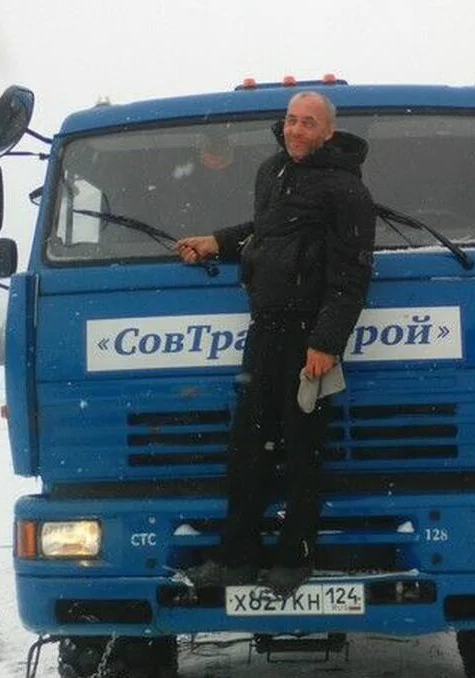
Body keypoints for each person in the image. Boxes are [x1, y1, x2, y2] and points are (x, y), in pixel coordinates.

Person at [176, 91, 376, 597]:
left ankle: (295, 557)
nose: (295, 130)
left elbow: (352, 274)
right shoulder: (273, 172)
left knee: (303, 449)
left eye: (307, 123)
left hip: (309, 336)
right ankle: (237, 558)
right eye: (290, 120)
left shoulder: (345, 189)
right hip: (264, 329)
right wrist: (217, 241)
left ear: (328, 131)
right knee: (248, 446)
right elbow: (265, 228)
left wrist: (326, 341)